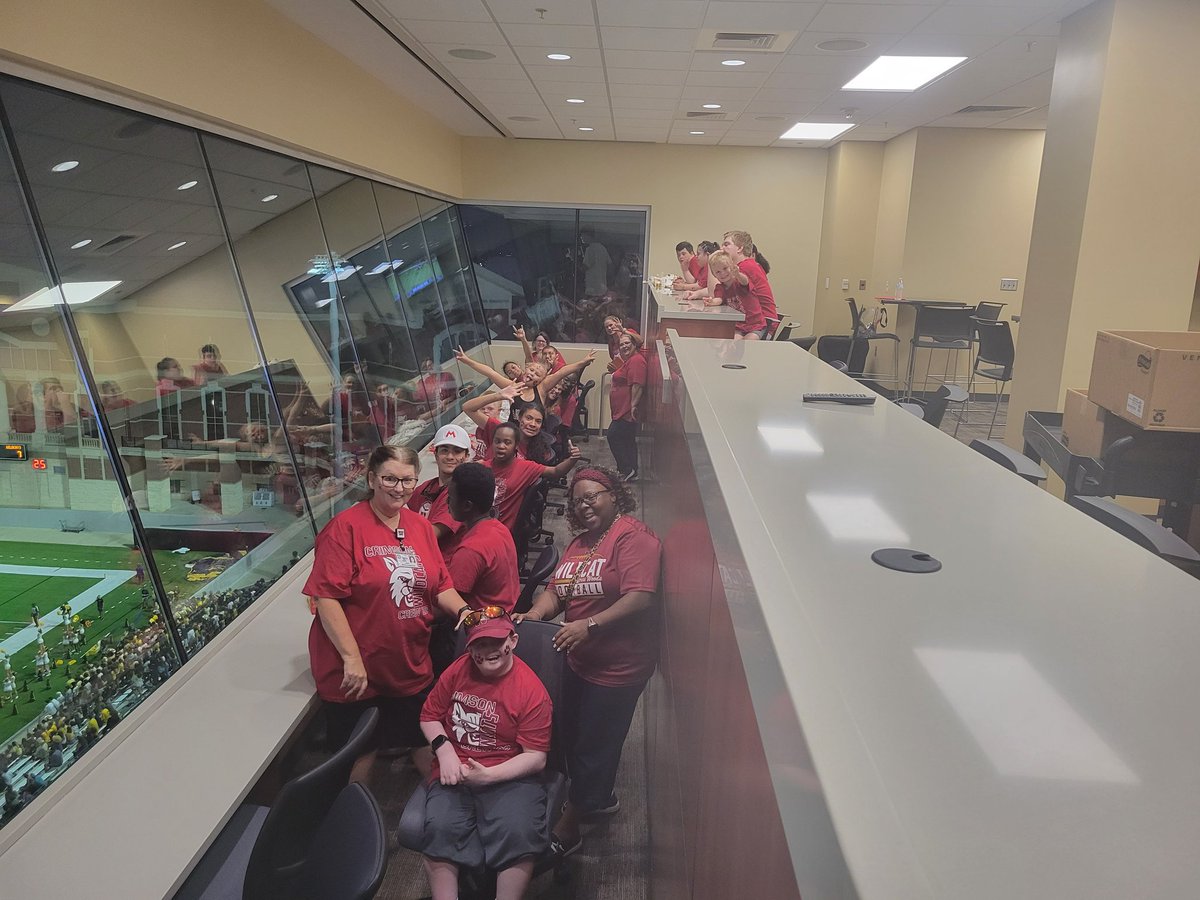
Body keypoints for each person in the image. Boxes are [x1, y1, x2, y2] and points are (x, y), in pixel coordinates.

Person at [303, 445, 474, 783]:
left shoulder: (420, 528)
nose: (399, 488)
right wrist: (352, 658)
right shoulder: (345, 528)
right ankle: (352, 823)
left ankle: (445, 813)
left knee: (421, 739)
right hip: (357, 669)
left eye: (407, 480)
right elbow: (326, 597)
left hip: (406, 660)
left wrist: (468, 614)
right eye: (390, 479)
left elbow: (441, 586)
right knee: (359, 753)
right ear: (371, 479)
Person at [518, 467, 661, 857]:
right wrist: (535, 615)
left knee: (595, 744)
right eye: (577, 500)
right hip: (578, 659)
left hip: (618, 668)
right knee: (575, 738)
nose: (584, 506)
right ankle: (596, 797)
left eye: (592, 496)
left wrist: (590, 625)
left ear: (614, 494)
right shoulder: (580, 543)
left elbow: (640, 595)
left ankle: (571, 827)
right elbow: (557, 592)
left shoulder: (632, 538)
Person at [418, 611, 552, 900]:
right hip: (457, 767)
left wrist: (489, 776)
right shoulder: (458, 669)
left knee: (518, 831)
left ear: (512, 641)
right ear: (469, 648)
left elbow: (536, 756)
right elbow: (429, 716)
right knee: (441, 827)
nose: (488, 650)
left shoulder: (531, 691)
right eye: (479, 644)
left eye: (497, 640)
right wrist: (445, 751)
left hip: (508, 772)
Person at [442, 463, 519, 612]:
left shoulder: (471, 550)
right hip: (505, 611)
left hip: (481, 624)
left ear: (467, 506)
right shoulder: (499, 528)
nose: (446, 502)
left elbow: (448, 604)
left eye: (450, 498)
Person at [486, 421, 581, 533]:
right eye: (497, 442)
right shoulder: (482, 467)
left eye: (507, 442)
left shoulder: (524, 467)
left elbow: (555, 471)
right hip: (482, 523)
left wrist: (572, 459)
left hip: (500, 530)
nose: (501, 446)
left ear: (516, 445)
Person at [454, 345, 595, 410]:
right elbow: (491, 372)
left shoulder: (542, 388)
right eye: (531, 370)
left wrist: (583, 362)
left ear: (540, 380)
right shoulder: (513, 387)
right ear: (525, 371)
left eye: (537, 374)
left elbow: (562, 372)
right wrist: (468, 361)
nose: (532, 374)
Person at [408, 424, 473, 547]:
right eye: (444, 450)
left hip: (446, 562)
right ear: (436, 455)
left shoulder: (462, 493)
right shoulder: (425, 487)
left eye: (457, 451)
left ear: (466, 457)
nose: (450, 457)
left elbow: (432, 534)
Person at [464, 384, 555, 464]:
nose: (533, 424)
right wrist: (499, 395)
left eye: (538, 421)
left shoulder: (542, 450)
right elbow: (467, 408)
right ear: (519, 418)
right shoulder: (501, 430)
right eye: (528, 418)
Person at [607, 331, 646, 481]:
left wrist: (633, 406)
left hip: (627, 410)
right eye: (621, 344)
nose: (623, 346)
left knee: (613, 436)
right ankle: (631, 471)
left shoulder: (636, 361)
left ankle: (626, 468)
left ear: (634, 344)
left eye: (627, 343)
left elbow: (638, 385)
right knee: (627, 439)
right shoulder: (630, 361)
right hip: (623, 409)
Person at [722, 230, 778, 329]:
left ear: (739, 248)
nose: (722, 248)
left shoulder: (746, 267)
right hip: (753, 322)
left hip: (762, 325)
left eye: (727, 244)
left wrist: (712, 262)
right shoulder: (746, 265)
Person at [705, 251, 768, 340]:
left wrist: (737, 274)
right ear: (714, 275)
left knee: (749, 342)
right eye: (718, 272)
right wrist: (711, 301)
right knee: (735, 343)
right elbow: (718, 299)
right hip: (739, 326)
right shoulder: (720, 287)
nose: (722, 273)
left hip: (756, 324)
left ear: (732, 267)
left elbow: (745, 281)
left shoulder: (739, 281)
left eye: (725, 268)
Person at [581, 230, 611, 297]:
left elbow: (584, 268)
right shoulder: (603, 248)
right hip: (602, 288)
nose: (581, 238)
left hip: (592, 288)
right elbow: (610, 264)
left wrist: (574, 258)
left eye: (582, 236)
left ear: (588, 236)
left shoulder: (590, 249)